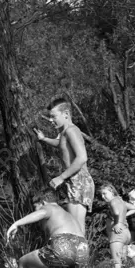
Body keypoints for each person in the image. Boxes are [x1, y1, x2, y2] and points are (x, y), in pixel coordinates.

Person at [34, 98, 95, 233]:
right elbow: (61, 145)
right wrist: (44, 139)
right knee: (73, 227)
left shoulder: (71, 130)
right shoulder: (64, 133)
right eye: (50, 117)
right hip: (73, 181)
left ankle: (82, 254)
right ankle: (77, 253)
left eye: (53, 116)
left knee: (77, 228)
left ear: (66, 114)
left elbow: (82, 157)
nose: (51, 120)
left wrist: (61, 178)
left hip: (79, 181)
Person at [99, 183, 135, 268]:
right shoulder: (121, 201)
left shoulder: (112, 201)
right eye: (101, 195)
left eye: (104, 193)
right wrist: (124, 216)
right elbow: (134, 208)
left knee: (117, 264)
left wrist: (117, 223)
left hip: (117, 235)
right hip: (126, 233)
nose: (103, 197)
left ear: (111, 191)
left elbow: (116, 212)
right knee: (124, 262)